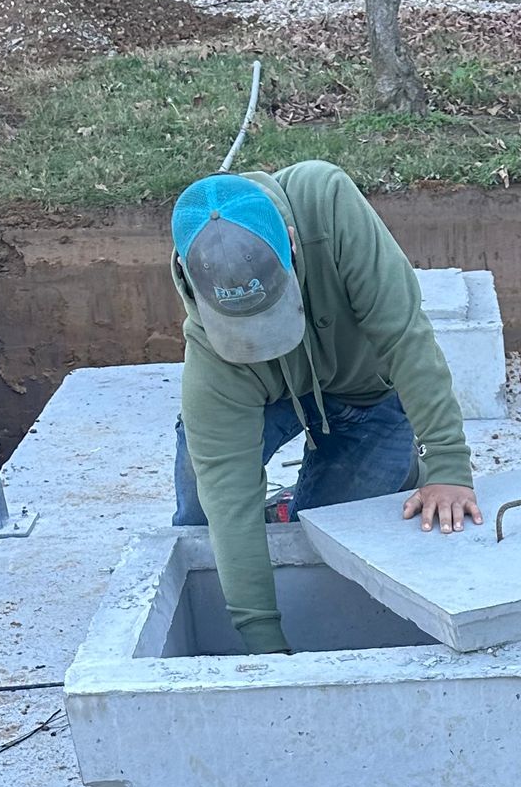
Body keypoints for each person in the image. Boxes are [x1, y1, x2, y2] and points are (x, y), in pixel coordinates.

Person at [170, 160, 483, 653]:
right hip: (270, 399)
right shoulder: (210, 351)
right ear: (192, 283)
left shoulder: (330, 205)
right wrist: (264, 642)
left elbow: (406, 338)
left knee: (329, 541)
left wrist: (446, 466)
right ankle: (264, 524)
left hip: (368, 395)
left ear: (293, 243)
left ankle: (304, 502)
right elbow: (227, 494)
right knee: (203, 512)